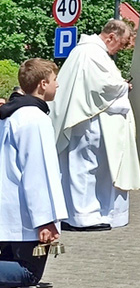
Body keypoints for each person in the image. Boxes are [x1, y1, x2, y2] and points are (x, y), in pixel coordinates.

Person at [50, 19, 140, 231]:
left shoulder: (89, 52)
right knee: (84, 167)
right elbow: (102, 86)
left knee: (87, 167)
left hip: (87, 121)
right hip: (86, 123)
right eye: (122, 43)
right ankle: (83, 216)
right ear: (111, 36)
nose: (121, 49)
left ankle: (87, 213)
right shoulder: (90, 53)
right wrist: (123, 86)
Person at [0, 59, 67, 287]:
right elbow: (37, 172)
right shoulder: (34, 119)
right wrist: (45, 220)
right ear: (42, 84)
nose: (57, 85)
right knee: (28, 274)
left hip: (8, 213)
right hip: (24, 219)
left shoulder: (10, 114)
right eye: (54, 80)